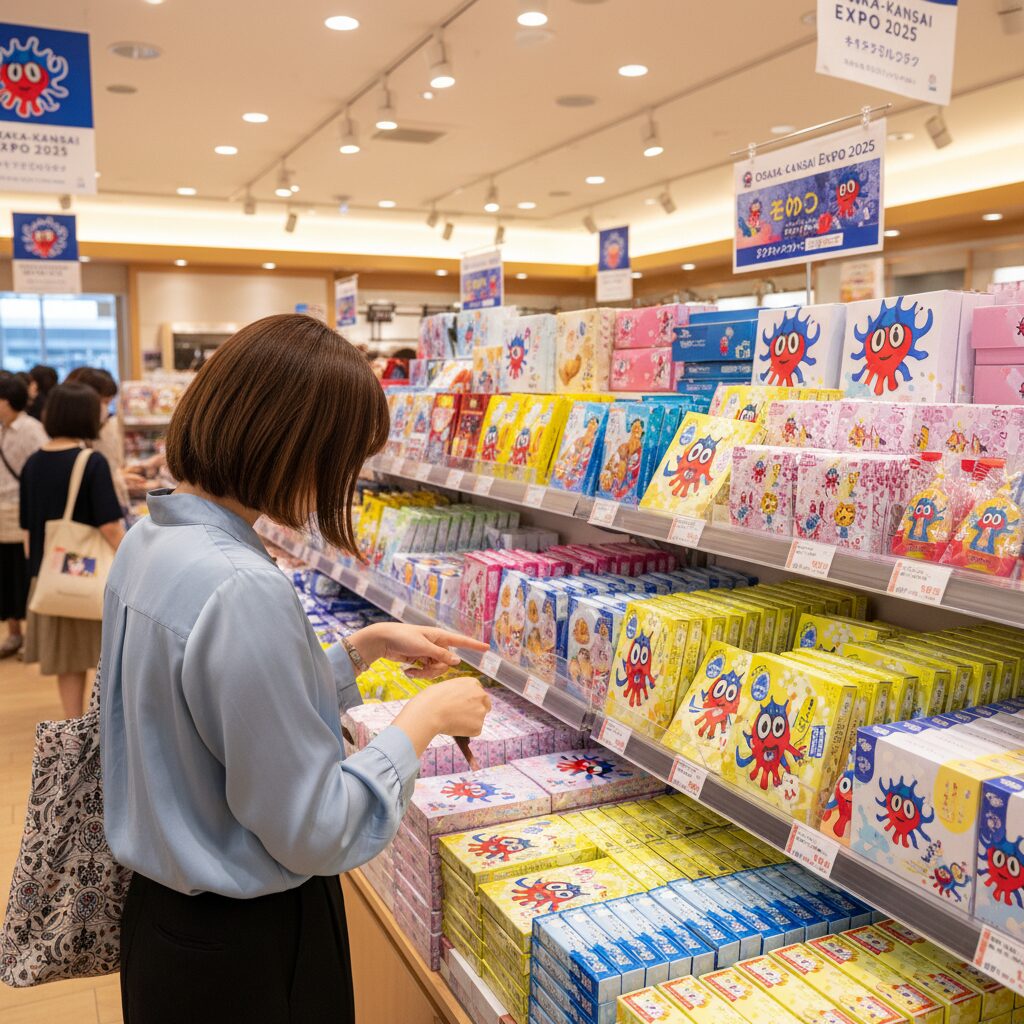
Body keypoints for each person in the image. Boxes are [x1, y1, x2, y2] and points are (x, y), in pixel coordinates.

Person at [101, 313, 492, 1024]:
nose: (344, 481)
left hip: (166, 926)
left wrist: (363, 646)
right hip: (247, 948)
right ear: (293, 446)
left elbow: (212, 713)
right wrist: (423, 722)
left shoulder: (150, 539)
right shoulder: (241, 585)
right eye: (343, 457)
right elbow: (316, 826)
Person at [20, 383, 125, 717]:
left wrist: (38, 572)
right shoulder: (90, 462)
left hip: (50, 574)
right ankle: (103, 726)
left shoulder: (33, 463)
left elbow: (27, 530)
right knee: (104, 654)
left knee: (68, 661)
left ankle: (73, 726)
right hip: (89, 573)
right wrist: (132, 558)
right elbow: (109, 525)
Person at [0, 374, 48, 657]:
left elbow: (39, 472)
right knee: (4, 576)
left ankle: (31, 636)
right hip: (0, 513)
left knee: (24, 574)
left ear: (8, 401)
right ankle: (13, 633)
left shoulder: (32, 429)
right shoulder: (2, 429)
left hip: (21, 511)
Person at [65, 366, 145, 507]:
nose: (106, 409)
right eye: (104, 402)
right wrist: (119, 478)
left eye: (108, 403)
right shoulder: (75, 445)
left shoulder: (97, 431)